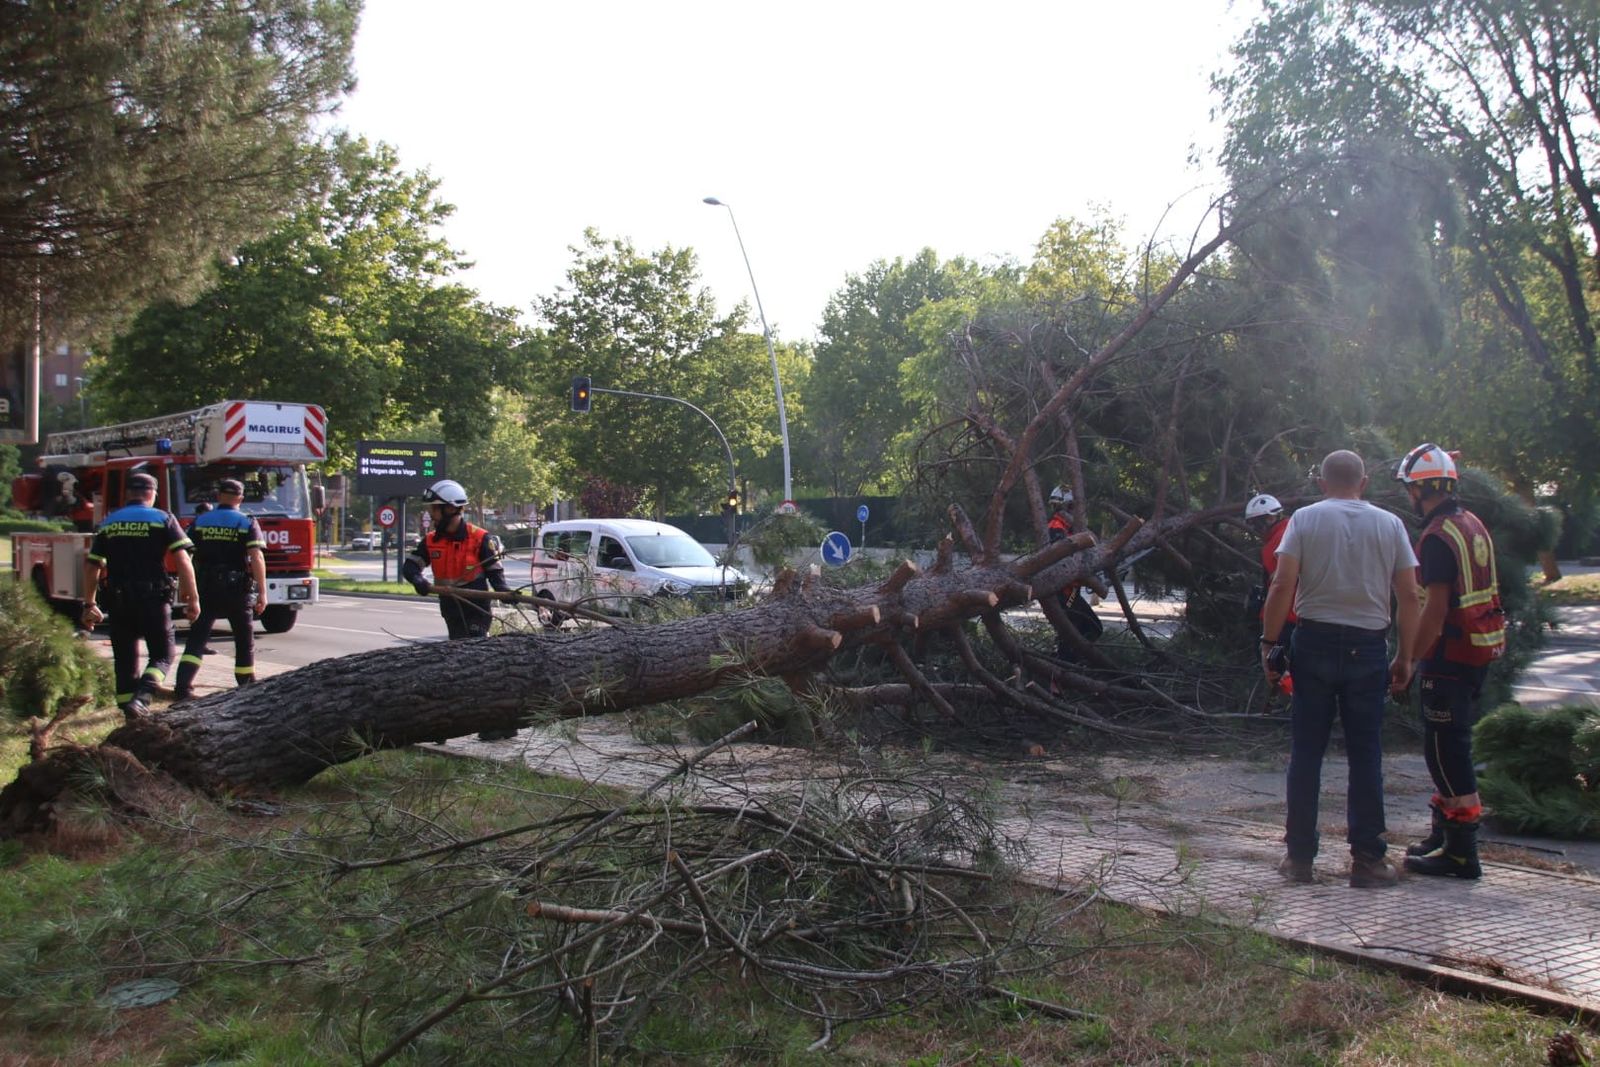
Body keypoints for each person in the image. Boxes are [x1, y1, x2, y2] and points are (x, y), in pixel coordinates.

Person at [1260, 450, 1421, 888]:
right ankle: (1368, 861)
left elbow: (1282, 583)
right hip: (1368, 648)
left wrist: (1269, 644)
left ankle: (1299, 858)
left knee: (1307, 753)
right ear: (1363, 482)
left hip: (1312, 642)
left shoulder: (1305, 519)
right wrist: (1406, 656)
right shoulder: (1390, 524)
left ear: (1322, 483)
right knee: (1366, 754)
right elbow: (1409, 595)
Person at [1393, 444, 1505, 880]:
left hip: (1449, 657)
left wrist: (1409, 659)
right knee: (1446, 746)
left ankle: (1461, 854)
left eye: (1409, 489)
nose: (1408, 496)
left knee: (1446, 750)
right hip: (1475, 650)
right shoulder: (1470, 523)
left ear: (1420, 489)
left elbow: (1435, 610)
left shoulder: (1438, 537)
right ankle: (1443, 836)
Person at [80, 471, 200, 720]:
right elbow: (183, 559)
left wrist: (89, 604)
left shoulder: (109, 522)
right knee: (163, 654)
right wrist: (192, 597)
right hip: (152, 599)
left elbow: (92, 566)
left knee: (125, 660)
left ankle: (128, 714)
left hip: (118, 600)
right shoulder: (162, 518)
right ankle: (142, 699)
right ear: (152, 493)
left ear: (128, 494)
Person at [402, 479, 516, 741]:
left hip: (475, 606)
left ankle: (497, 721)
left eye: (434, 509)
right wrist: (418, 580)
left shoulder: (480, 538)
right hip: (451, 607)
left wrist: (506, 593)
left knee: (474, 662)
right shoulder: (431, 541)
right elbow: (410, 567)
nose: (431, 514)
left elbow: (495, 573)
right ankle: (448, 723)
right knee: (457, 663)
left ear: (451, 509)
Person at [170, 479, 268, 701]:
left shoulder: (201, 521)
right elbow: (256, 557)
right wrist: (262, 592)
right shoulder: (246, 522)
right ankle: (246, 686)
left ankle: (183, 687)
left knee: (197, 638)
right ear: (240, 498)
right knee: (244, 639)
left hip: (206, 588)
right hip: (237, 590)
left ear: (218, 496)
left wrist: (186, 587)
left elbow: (186, 555)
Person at [1245, 493, 1297, 697]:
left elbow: (1280, 583)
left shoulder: (1279, 539)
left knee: (1279, 668)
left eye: (1257, 524)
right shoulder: (1293, 529)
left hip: (1286, 617)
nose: (1255, 530)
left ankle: (1291, 699)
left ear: (1270, 518)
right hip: (1300, 614)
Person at [1047, 485, 1102, 664]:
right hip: (1063, 593)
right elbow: (1065, 559)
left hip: (1071, 592)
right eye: (1073, 507)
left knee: (1090, 628)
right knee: (1077, 633)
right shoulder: (1056, 528)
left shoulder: (1070, 529)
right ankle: (1064, 669)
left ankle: (1073, 664)